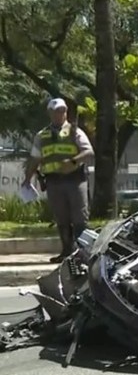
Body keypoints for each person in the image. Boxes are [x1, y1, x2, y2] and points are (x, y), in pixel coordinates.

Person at [23, 98, 94, 263]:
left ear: (66, 112)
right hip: (54, 182)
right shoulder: (42, 136)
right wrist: (27, 179)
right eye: (56, 111)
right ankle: (66, 252)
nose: (59, 114)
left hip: (75, 180)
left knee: (79, 218)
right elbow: (35, 159)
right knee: (61, 218)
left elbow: (89, 151)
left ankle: (83, 254)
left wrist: (73, 162)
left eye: (62, 111)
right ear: (50, 113)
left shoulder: (75, 131)